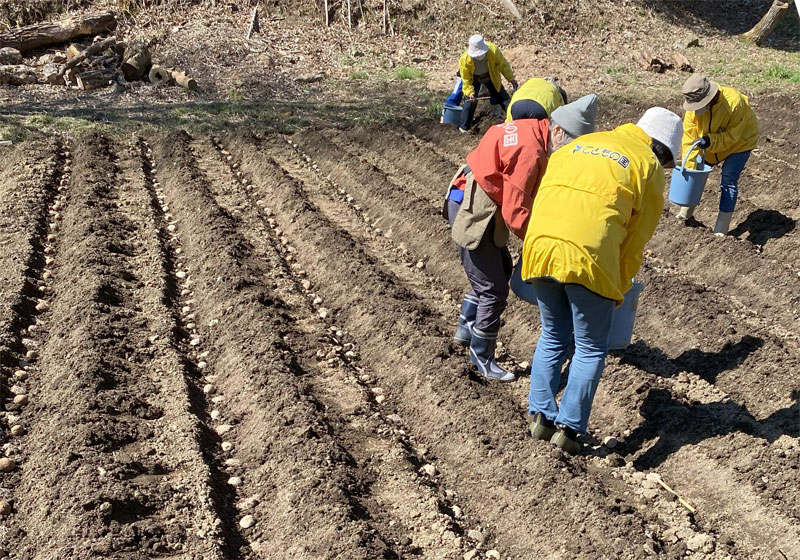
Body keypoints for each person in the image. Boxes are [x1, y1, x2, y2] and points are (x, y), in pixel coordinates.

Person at [521, 107, 683, 454]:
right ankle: (568, 427)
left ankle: (541, 416)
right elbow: (636, 239)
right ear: (664, 152)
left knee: (552, 334)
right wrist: (618, 287)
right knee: (591, 346)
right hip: (589, 256)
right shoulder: (647, 165)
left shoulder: (583, 143)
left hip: (541, 246)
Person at [444, 94, 599, 382]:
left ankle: (466, 329)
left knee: (498, 270)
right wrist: (540, 244)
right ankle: (482, 356)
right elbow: (516, 211)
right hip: (475, 206)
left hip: (471, 190)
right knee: (493, 290)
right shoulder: (531, 152)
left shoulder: (533, 127)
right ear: (557, 131)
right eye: (570, 145)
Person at [677, 74, 759, 236]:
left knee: (728, 178)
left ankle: (722, 226)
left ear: (709, 98)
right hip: (709, 141)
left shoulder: (734, 102)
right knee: (697, 169)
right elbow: (689, 139)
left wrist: (710, 141)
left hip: (740, 142)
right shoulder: (693, 110)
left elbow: (733, 136)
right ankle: (686, 211)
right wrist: (689, 170)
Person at [458, 34, 518, 133]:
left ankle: (516, 120)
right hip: (474, 79)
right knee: (470, 102)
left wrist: (511, 78)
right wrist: (470, 93)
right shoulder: (464, 59)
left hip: (491, 75)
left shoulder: (493, 50)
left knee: (503, 98)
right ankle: (464, 128)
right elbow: (466, 79)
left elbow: (503, 65)